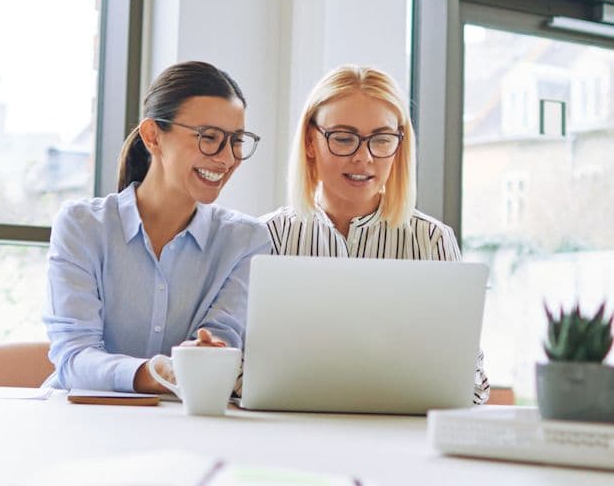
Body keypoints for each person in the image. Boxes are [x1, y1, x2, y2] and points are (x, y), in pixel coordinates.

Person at [263, 65, 490, 404]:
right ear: (311, 142)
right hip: (294, 434)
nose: (363, 157)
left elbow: (472, 385)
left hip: (400, 439)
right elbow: (241, 368)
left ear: (399, 146)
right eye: (343, 138)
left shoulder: (431, 241)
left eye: (382, 140)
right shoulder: (266, 238)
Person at [42, 61, 271, 393]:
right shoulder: (82, 226)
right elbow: (74, 357)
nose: (226, 158)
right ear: (153, 136)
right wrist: (156, 372)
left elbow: (220, 345)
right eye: (209, 138)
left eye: (236, 140)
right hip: (84, 419)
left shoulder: (246, 241)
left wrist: (207, 356)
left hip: (186, 425)